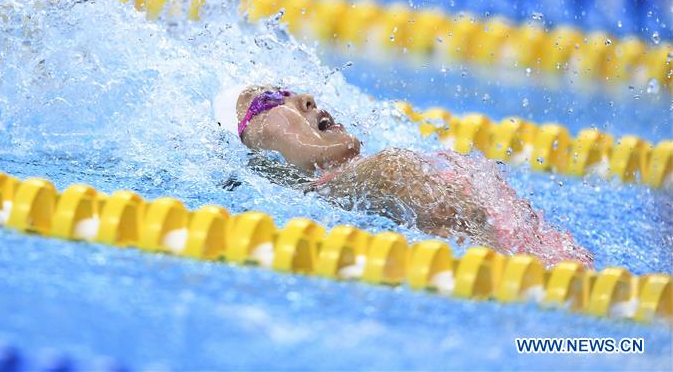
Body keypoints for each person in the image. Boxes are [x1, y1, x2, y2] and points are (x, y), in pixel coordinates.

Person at [232, 85, 593, 267]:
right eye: (272, 98)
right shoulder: (383, 170)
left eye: (291, 90)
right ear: (257, 144)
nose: (306, 98)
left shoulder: (376, 172)